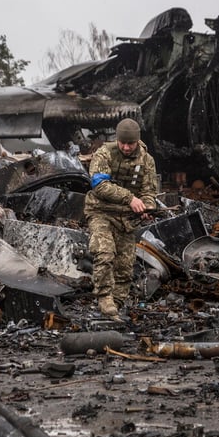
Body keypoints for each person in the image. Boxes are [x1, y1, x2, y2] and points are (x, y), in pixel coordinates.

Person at [85, 118, 158, 316]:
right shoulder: (104, 153)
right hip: (102, 211)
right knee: (105, 253)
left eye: (130, 143)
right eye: (122, 143)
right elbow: (99, 186)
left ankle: (115, 307)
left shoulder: (146, 160)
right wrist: (130, 198)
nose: (126, 147)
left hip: (127, 218)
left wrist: (147, 208)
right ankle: (104, 298)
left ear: (137, 141)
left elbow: (149, 190)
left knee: (125, 267)